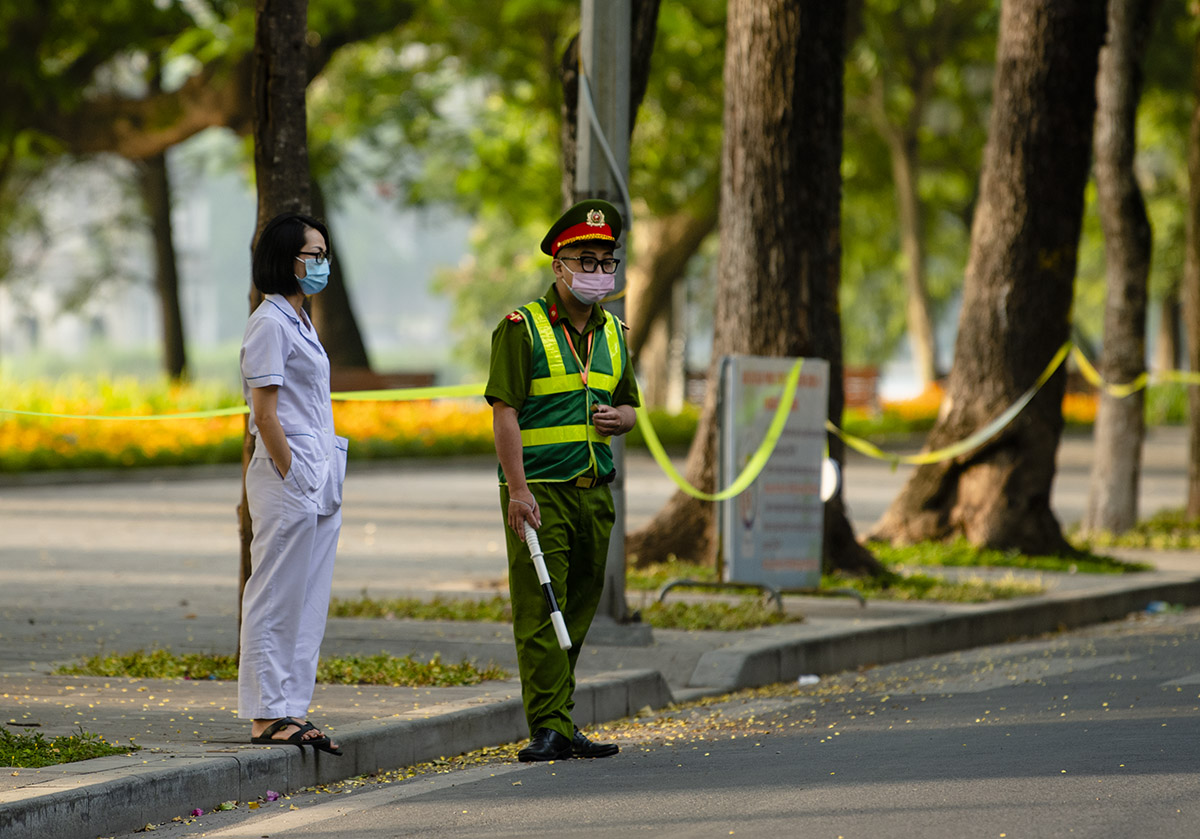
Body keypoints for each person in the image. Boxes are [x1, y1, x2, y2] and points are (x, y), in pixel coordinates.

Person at [485, 199, 639, 762]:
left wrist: (621, 419)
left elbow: (629, 408)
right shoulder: (520, 328)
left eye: (606, 260)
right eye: (586, 260)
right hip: (540, 493)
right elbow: (504, 412)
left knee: (574, 609)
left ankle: (561, 718)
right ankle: (548, 724)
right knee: (540, 609)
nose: (598, 271)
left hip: (594, 494)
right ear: (559, 264)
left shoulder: (617, 333)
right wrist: (518, 490)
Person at [238, 212, 348, 756]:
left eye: (325, 253)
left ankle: (292, 709)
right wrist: (293, 471)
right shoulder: (270, 323)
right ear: (287, 259)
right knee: (277, 593)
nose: (323, 263)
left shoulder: (301, 320)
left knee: (308, 598)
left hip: (318, 475)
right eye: (314, 254)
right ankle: (265, 715)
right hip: (290, 477)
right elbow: (265, 413)